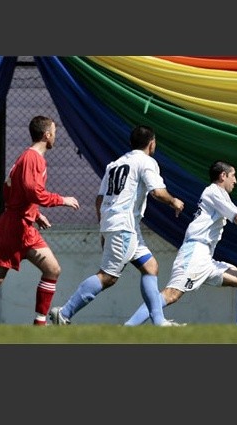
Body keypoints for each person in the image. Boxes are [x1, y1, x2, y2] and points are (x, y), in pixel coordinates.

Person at [123, 160, 237, 326]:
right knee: (171, 295)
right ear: (223, 176)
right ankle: (128, 328)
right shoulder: (214, 192)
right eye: (233, 176)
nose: (236, 180)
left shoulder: (219, 195)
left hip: (206, 257)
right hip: (195, 253)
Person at [49, 125, 185, 326]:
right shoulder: (146, 161)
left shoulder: (115, 164)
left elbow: (99, 199)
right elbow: (157, 192)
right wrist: (174, 201)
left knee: (150, 267)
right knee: (108, 277)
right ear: (152, 143)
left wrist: (104, 227)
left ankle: (159, 322)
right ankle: (65, 313)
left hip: (121, 224)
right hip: (124, 225)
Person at [0, 115, 80, 325]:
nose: (55, 136)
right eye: (54, 133)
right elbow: (33, 191)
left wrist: (36, 214)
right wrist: (62, 200)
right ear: (47, 135)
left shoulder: (26, 158)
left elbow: (12, 191)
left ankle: (39, 323)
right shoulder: (33, 158)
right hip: (15, 227)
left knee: (52, 269)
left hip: (23, 225)